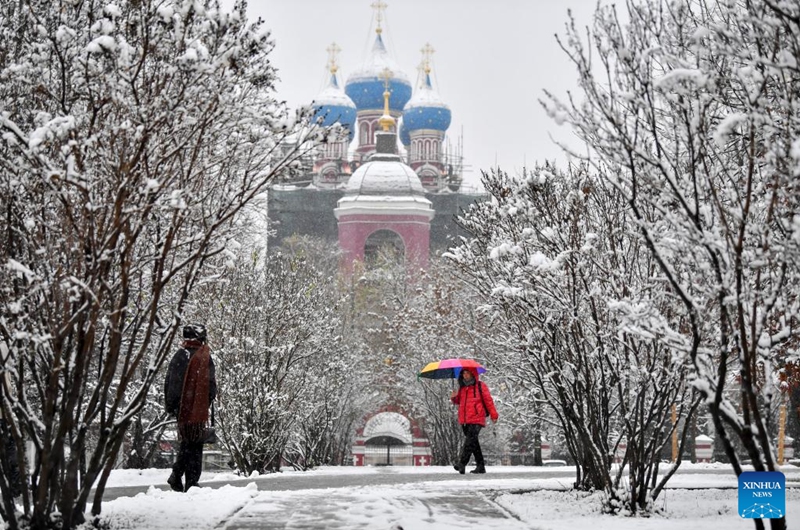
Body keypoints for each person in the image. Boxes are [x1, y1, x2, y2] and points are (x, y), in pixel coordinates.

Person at [164, 324, 217, 492]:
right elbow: (211, 386)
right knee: (194, 445)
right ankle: (189, 481)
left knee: (188, 443)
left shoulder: (179, 355)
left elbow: (170, 382)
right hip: (197, 409)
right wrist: (204, 402)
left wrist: (172, 406)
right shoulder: (204, 357)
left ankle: (180, 477)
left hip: (182, 409)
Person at [450, 367, 498, 474]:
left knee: (469, 441)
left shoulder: (480, 386)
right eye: (463, 373)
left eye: (467, 373)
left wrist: (494, 415)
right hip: (465, 419)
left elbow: (488, 401)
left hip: (477, 418)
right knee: (473, 443)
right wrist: (454, 397)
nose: (465, 375)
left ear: (472, 374)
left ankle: (462, 463)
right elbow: (459, 401)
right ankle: (481, 466)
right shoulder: (462, 388)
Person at [0, 343, 22, 498]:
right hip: (5, 414)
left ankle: (14, 488)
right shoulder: (4, 347)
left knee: (10, 453)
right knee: (10, 454)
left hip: (4, 413)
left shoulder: (3, 347)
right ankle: (14, 488)